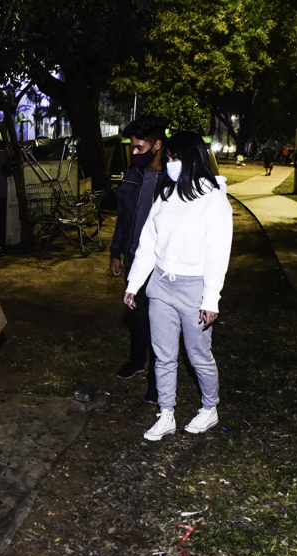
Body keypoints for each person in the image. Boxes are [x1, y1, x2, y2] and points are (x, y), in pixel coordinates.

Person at [123, 131, 233, 441]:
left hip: (193, 288)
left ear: (192, 160)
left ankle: (210, 408)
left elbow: (218, 253)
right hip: (161, 285)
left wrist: (211, 299)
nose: (169, 164)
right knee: (163, 355)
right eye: (168, 158)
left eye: (174, 158)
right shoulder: (167, 196)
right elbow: (148, 244)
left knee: (198, 356)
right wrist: (135, 283)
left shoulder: (214, 199)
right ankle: (166, 413)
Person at [110, 115, 168, 403]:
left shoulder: (173, 179)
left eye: (140, 148)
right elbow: (123, 219)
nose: (134, 153)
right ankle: (136, 361)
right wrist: (116, 253)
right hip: (135, 261)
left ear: (157, 145)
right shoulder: (133, 175)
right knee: (137, 317)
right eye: (132, 147)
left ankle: (156, 382)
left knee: (160, 323)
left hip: (162, 267)